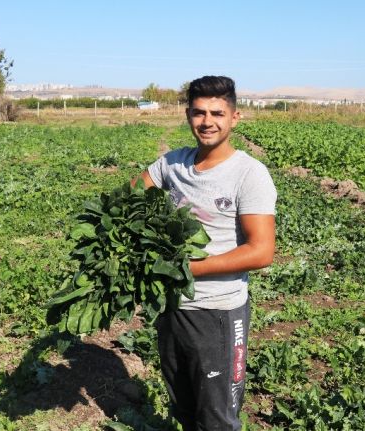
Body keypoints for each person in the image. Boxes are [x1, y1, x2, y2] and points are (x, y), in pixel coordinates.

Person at [131, 75, 277, 430]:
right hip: (172, 307)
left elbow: (261, 252)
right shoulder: (172, 164)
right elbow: (128, 198)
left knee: (218, 420)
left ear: (234, 117)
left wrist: (187, 269)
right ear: (187, 115)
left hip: (219, 314)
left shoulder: (249, 174)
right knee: (183, 408)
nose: (207, 121)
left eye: (217, 113)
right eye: (199, 113)